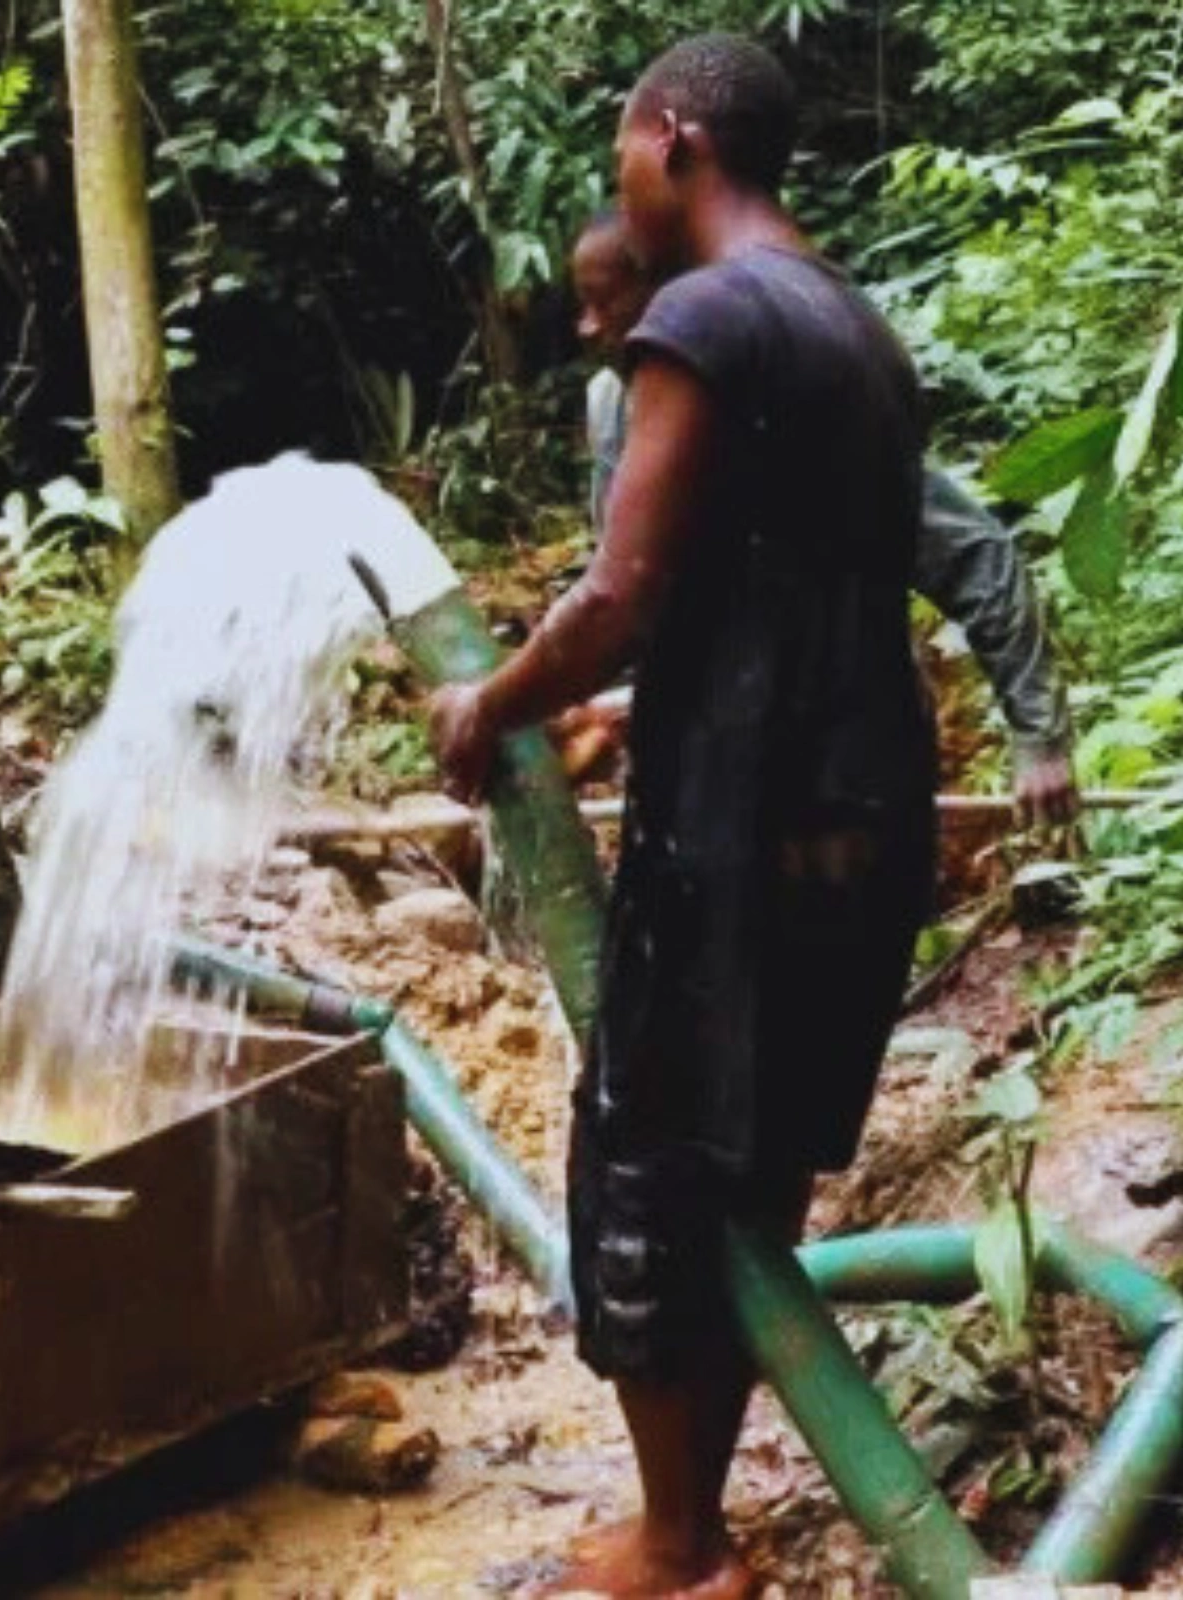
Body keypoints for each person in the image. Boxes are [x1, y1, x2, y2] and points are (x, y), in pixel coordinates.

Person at [428, 37, 937, 1597]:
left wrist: (490, 703)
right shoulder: (855, 327)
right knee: (755, 1164)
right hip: (860, 804)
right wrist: (635, 713)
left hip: (735, 834)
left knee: (647, 1164)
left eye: (622, 160)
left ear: (677, 141)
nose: (618, 198)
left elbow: (623, 590)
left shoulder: (705, 317)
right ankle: (696, 1525)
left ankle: (676, 1545)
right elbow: (798, 596)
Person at [570, 209, 1079, 828]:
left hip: (832, 760)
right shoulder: (613, 407)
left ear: (670, 298)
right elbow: (627, 591)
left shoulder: (787, 397)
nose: (587, 327)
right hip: (700, 760)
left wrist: (1039, 738)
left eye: (602, 301)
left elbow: (973, 554)